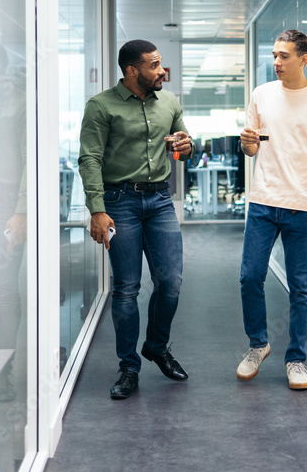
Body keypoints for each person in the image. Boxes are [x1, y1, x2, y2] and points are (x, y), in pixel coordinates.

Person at [236, 30, 307, 390]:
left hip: (302, 207)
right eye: (274, 55)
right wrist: (247, 144)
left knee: (300, 287)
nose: (276, 62)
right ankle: (258, 345)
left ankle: (296, 359)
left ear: (304, 59)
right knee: (249, 277)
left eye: (284, 56)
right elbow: (252, 151)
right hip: (262, 202)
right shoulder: (261, 94)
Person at [78, 39, 194, 399]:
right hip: (119, 201)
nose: (162, 71)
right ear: (132, 71)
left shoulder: (170, 102)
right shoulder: (101, 106)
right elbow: (90, 159)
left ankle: (156, 346)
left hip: (160, 199)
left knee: (170, 282)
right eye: (154, 65)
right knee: (127, 288)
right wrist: (97, 209)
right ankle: (129, 366)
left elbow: (184, 144)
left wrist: (187, 146)